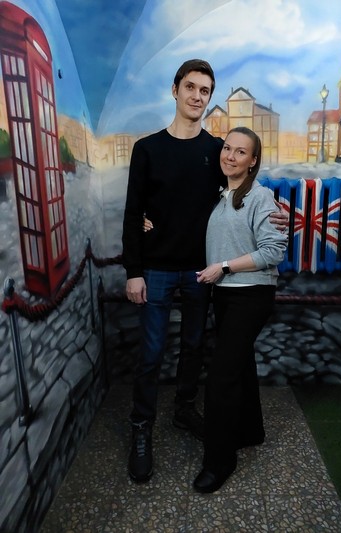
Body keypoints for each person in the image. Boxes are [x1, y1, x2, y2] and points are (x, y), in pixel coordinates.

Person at [122, 59, 288, 484]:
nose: (197, 96)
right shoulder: (147, 149)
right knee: (151, 353)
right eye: (191, 87)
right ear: (175, 90)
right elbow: (132, 212)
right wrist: (133, 270)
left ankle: (184, 409)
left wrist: (280, 214)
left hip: (202, 270)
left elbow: (245, 186)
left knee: (194, 347)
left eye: (205, 91)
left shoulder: (217, 150)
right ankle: (141, 427)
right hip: (156, 268)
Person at [193, 127, 288, 493]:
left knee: (221, 378)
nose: (230, 156)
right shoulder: (222, 196)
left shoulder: (260, 198)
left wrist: (224, 267)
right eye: (227, 148)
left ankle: (220, 461)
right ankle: (251, 431)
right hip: (226, 296)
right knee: (241, 365)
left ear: (253, 161)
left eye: (240, 152)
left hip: (251, 295)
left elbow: (273, 252)